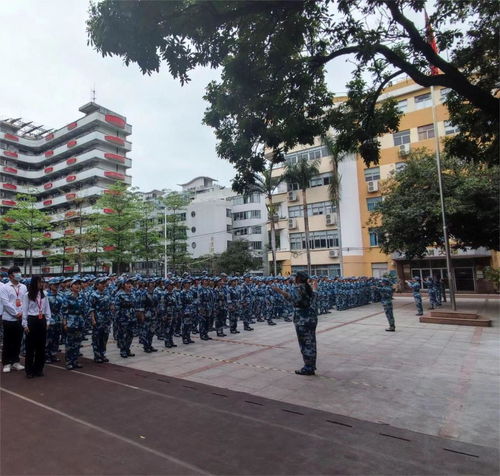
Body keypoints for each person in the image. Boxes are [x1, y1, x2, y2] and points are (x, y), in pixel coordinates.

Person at [273, 271, 318, 376]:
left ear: (298, 279)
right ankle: (311, 365)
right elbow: (315, 295)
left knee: (305, 344)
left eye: (295, 277)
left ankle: (308, 368)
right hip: (311, 318)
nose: (293, 278)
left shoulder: (298, 288)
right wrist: (315, 287)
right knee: (311, 343)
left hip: (302, 320)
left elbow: (293, 300)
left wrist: (280, 291)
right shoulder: (309, 288)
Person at [22, 276, 51, 378]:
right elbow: (24, 310)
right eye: (39, 282)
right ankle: (29, 370)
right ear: (34, 283)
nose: (41, 284)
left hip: (41, 320)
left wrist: (48, 321)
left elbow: (47, 309)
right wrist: (25, 324)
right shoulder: (27, 295)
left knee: (41, 347)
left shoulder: (45, 294)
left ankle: (39, 369)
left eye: (42, 282)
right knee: (30, 348)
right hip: (32, 320)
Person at [1, 266, 26, 373]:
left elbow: (25, 300)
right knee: (8, 341)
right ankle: (6, 363)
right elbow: (5, 303)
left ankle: (16, 361)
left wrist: (22, 313)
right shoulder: (4, 287)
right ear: (11, 275)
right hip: (9, 318)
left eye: (20, 272)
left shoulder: (23, 287)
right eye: (17, 273)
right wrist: (16, 313)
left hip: (20, 318)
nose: (19, 274)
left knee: (17, 341)